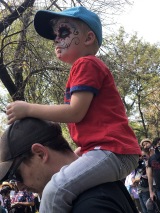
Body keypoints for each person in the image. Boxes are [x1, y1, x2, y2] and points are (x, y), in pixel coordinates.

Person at [6, 6, 141, 212]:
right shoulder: (85, 67)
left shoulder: (86, 64)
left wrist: (28, 109)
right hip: (108, 151)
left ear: (88, 38)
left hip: (113, 151)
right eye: (55, 35)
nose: (56, 40)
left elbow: (75, 112)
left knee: (54, 190)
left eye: (64, 32)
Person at [0, 118, 139, 213]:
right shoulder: (100, 187)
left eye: (16, 175)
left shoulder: (91, 205)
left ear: (40, 154)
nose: (18, 186)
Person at [147, 137, 160, 205]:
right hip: (159, 189)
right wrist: (151, 191)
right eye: (158, 145)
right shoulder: (151, 159)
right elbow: (150, 176)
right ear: (155, 146)